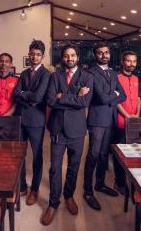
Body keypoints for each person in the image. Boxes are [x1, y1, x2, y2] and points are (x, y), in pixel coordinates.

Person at [41, 44, 93, 225]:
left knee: (73, 167)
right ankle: (53, 203)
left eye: (72, 55)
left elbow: (84, 102)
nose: (69, 58)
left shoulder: (87, 77)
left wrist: (61, 97)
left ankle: (69, 196)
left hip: (77, 131)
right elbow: (49, 100)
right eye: (66, 55)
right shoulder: (54, 76)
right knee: (55, 168)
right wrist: (74, 97)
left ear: (77, 57)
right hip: (58, 130)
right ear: (62, 58)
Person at [83, 42, 126, 211]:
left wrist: (113, 95)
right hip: (96, 119)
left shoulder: (113, 73)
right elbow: (100, 98)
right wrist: (113, 94)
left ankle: (100, 184)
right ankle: (87, 191)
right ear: (95, 55)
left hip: (110, 120)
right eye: (100, 53)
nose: (104, 55)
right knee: (92, 155)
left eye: (106, 52)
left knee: (103, 155)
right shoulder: (91, 73)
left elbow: (122, 95)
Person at [13, 40, 51, 205]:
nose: (34, 57)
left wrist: (25, 94)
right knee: (20, 154)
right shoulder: (23, 73)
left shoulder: (47, 74)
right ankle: (21, 186)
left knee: (37, 156)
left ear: (42, 56)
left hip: (36, 121)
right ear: (29, 54)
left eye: (38, 54)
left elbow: (39, 97)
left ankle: (34, 189)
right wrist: (29, 97)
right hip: (21, 119)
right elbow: (16, 94)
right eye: (32, 53)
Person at [114, 51, 141, 194]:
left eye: (134, 61)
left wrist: (136, 115)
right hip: (121, 121)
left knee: (133, 153)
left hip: (134, 121)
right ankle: (119, 183)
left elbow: (138, 98)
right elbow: (116, 100)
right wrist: (127, 116)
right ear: (123, 62)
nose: (131, 64)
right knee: (120, 154)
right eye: (128, 61)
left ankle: (134, 182)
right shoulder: (116, 78)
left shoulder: (137, 78)